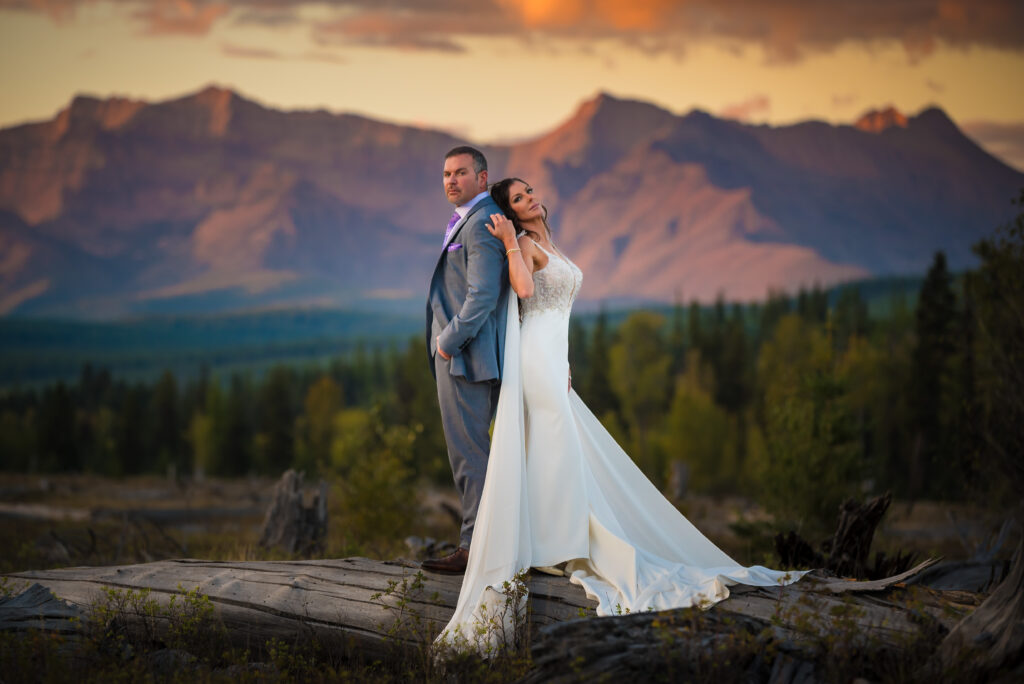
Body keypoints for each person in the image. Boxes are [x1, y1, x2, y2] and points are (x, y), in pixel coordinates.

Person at [433, 178, 807, 652]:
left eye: (529, 192)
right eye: (520, 198)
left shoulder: (551, 242)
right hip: (533, 360)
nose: (531, 198)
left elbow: (555, 309)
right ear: (514, 213)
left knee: (555, 444)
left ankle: (554, 538)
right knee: (554, 441)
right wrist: (509, 242)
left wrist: (562, 359)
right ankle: (555, 543)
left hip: (551, 357)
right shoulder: (525, 243)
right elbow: (525, 293)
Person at [421, 147, 511, 574]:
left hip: (466, 357)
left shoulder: (479, 224)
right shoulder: (473, 218)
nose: (451, 180)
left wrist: (447, 342)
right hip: (466, 355)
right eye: (445, 174)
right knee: (474, 453)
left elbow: (483, 295)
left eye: (460, 173)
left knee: (469, 455)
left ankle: (476, 550)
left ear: (482, 176)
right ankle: (489, 542)